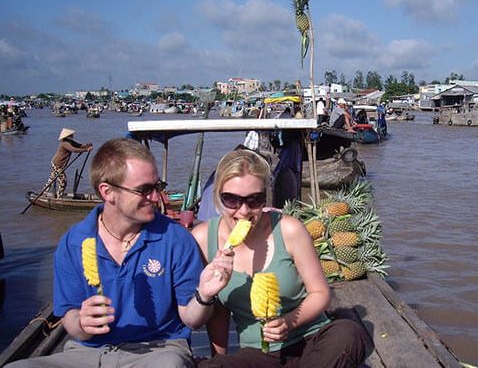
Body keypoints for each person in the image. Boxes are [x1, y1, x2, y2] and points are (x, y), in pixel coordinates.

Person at [8, 138, 234, 368]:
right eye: (144, 190)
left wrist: (204, 296)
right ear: (108, 192)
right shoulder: (74, 242)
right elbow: (70, 316)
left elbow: (192, 320)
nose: (156, 198)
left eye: (158, 186)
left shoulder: (176, 239)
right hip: (87, 352)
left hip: (159, 350)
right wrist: (82, 322)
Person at [192, 149, 367, 367]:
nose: (244, 211)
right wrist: (219, 359)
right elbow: (217, 313)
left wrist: (288, 322)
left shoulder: (288, 229)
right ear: (218, 195)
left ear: (265, 196)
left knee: (349, 333)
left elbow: (320, 293)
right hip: (258, 353)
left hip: (310, 342)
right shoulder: (202, 239)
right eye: (232, 200)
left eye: (255, 200)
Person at [43, 128, 93, 198]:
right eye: (71, 135)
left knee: (51, 179)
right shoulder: (64, 143)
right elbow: (74, 150)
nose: (72, 136)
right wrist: (86, 150)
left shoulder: (70, 142)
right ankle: (59, 197)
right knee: (63, 181)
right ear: (67, 136)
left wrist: (87, 146)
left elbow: (79, 145)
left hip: (58, 164)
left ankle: (44, 193)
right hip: (57, 164)